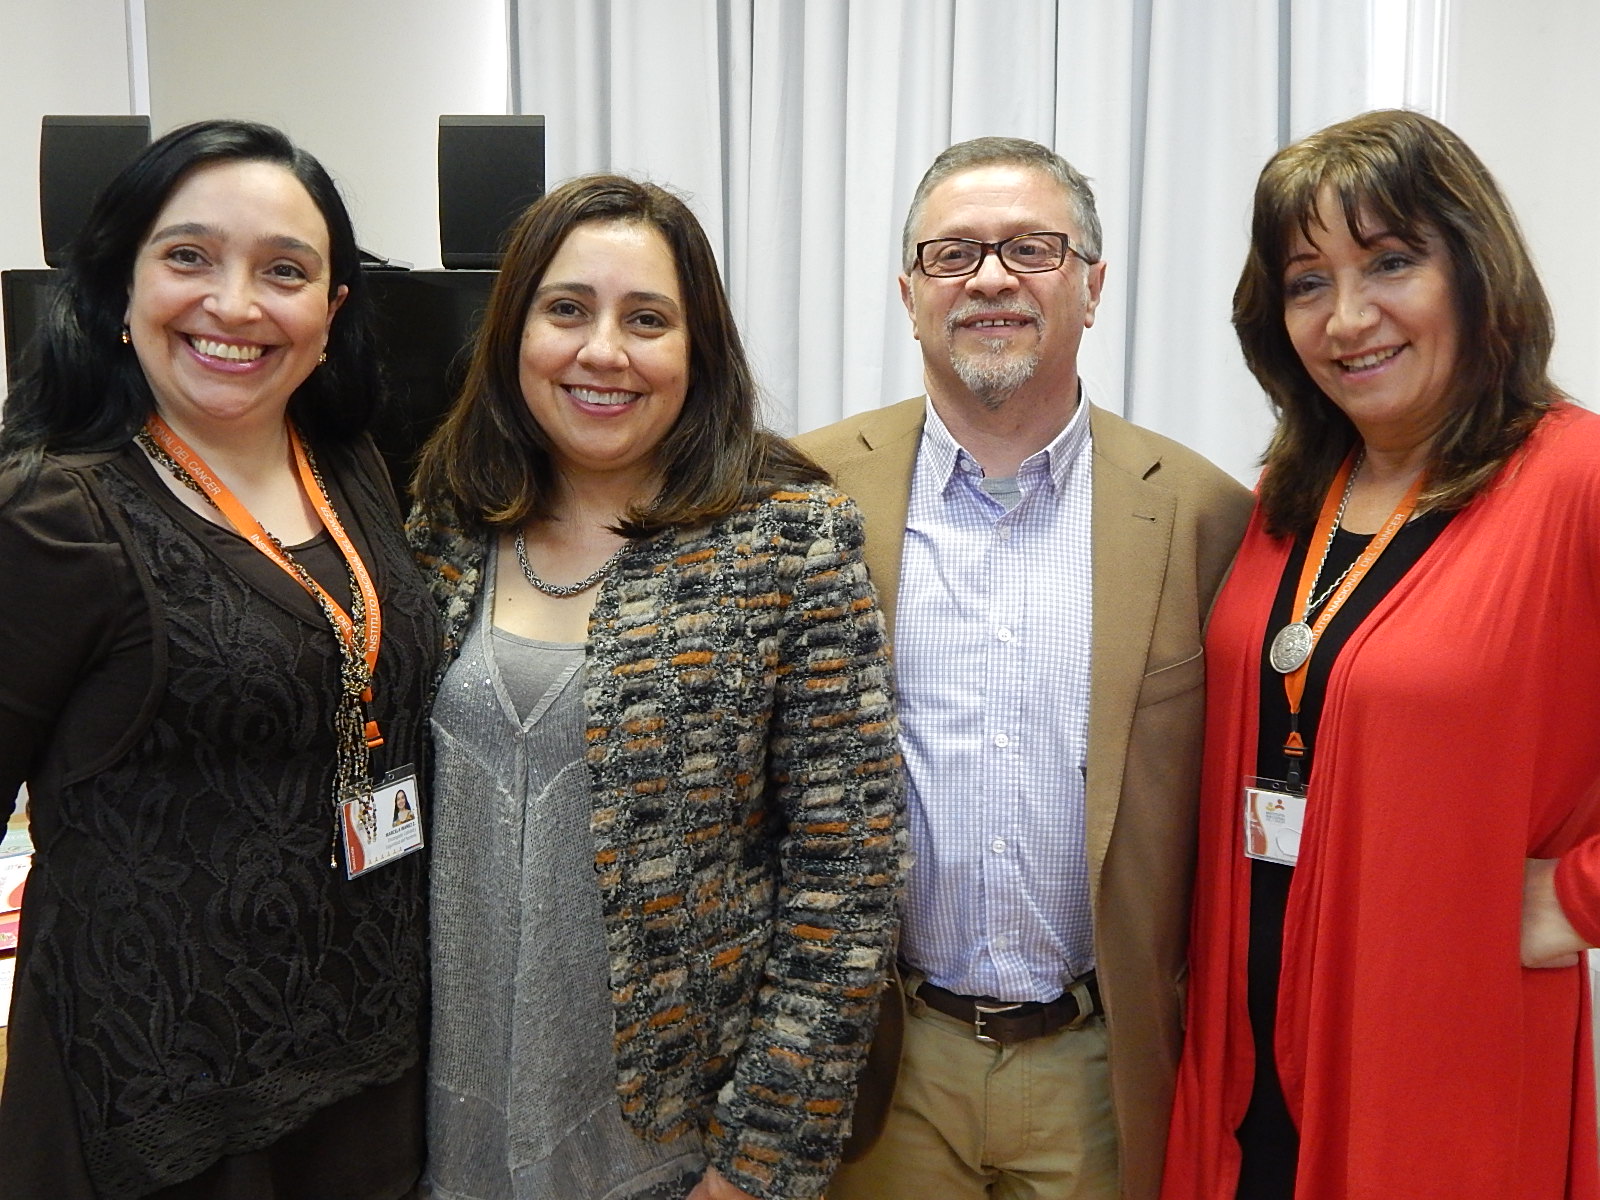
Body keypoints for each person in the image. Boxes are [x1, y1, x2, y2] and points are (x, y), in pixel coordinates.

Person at [407, 174, 904, 1200]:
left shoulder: (787, 541)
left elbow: (845, 880)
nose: (603, 352)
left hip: (665, 1156)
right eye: (566, 310)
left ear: (698, 352)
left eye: (647, 320)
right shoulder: (443, 528)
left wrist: (757, 1166)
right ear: (513, 335)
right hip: (434, 1136)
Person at [797, 137, 1252, 1200]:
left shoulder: (1202, 515)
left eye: (1032, 249)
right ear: (907, 293)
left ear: (1092, 286)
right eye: (952, 253)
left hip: (1099, 1068)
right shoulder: (805, 492)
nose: (991, 277)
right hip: (885, 1063)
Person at [1160, 109, 1600, 1200]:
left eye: (1391, 261)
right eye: (1306, 282)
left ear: (1473, 268)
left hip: (1437, 1066)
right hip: (1242, 1064)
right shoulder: (1286, 496)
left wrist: (1582, 898)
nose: (1346, 318)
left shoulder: (1575, 480)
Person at [0, 120, 438, 1197]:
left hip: (370, 1057)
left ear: (329, 315)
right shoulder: (59, 513)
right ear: (119, 289)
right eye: (189, 256)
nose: (235, 306)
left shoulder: (350, 466)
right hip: (163, 1103)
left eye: (283, 271)